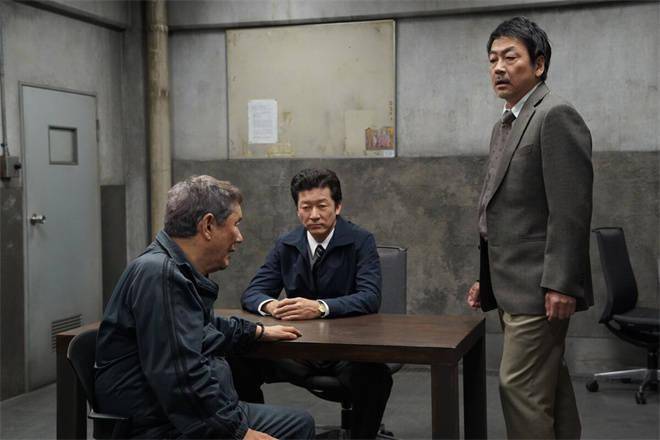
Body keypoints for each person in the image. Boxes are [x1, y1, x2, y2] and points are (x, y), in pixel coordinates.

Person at [95, 175, 315, 440]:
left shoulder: (172, 269)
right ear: (208, 226)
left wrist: (256, 331)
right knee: (297, 426)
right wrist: (238, 433)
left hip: (173, 416)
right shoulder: (160, 275)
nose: (240, 237)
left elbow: (199, 326)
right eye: (236, 224)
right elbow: (179, 376)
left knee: (294, 419)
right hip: (161, 426)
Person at [466, 16, 594, 439]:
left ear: (538, 64)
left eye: (510, 57)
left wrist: (561, 283)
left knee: (518, 388)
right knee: (547, 385)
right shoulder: (505, 123)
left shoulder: (555, 115)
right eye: (492, 59)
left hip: (540, 288)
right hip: (511, 282)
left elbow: (570, 211)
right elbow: (504, 212)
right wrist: (486, 277)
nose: (498, 68)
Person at [233, 168, 392, 439]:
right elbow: (253, 293)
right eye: (306, 207)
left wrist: (319, 307)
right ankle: (259, 433)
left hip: (346, 350)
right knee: (237, 360)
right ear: (297, 210)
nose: (314, 215)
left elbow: (369, 297)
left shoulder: (360, 240)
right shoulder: (287, 243)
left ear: (338, 206)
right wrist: (271, 306)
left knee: (376, 377)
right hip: (299, 347)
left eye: (322, 206)